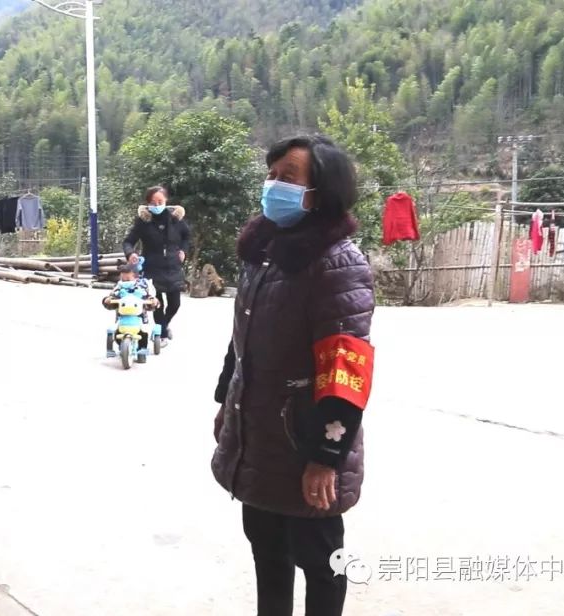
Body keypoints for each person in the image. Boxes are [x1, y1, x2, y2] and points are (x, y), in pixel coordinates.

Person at [211, 135, 375, 616]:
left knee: (322, 563)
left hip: (305, 439)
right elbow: (242, 339)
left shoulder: (337, 263)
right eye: (271, 174)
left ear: (320, 193)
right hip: (258, 434)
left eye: (288, 177)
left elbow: (346, 368)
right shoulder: (265, 251)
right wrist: (226, 403)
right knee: (267, 552)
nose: (273, 185)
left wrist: (326, 458)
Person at [122, 186, 190, 344]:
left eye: (160, 201)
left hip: (173, 267)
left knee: (175, 304)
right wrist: (131, 253)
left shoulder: (176, 219)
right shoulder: (143, 222)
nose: (157, 205)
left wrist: (183, 251)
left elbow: (186, 236)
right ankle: (161, 335)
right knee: (157, 303)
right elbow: (128, 241)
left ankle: (163, 326)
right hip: (152, 268)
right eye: (153, 202)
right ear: (148, 203)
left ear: (166, 201)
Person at [102, 264, 157, 359]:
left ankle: (142, 351)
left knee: (143, 334)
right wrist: (108, 300)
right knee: (117, 334)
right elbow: (112, 296)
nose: (125, 282)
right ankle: (122, 347)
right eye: (123, 279)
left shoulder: (142, 287)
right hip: (123, 318)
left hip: (139, 317)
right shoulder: (119, 287)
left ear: (136, 277)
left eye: (128, 279)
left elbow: (149, 297)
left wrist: (153, 302)